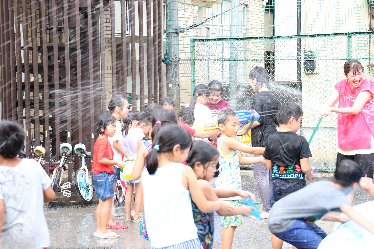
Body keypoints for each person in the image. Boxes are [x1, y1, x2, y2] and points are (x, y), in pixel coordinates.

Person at [142, 125, 234, 248]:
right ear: (176, 149)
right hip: (185, 241)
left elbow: (144, 209)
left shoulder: (146, 173)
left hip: (157, 243)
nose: (187, 157)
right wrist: (221, 204)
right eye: (186, 152)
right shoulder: (183, 171)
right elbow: (205, 206)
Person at [268, 159, 374, 249]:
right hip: (283, 223)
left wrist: (340, 219)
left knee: (326, 239)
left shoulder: (323, 184)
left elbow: (318, 213)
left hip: (283, 216)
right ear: (354, 185)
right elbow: (354, 215)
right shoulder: (336, 195)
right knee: (325, 246)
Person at [319, 59, 374, 203]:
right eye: (353, 75)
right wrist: (324, 108)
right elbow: (329, 103)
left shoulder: (367, 84)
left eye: (360, 73)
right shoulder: (341, 86)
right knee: (345, 184)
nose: (357, 78)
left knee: (365, 184)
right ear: (346, 75)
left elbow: (356, 109)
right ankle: (347, 216)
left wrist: (331, 109)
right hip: (345, 138)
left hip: (364, 139)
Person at [186, 140, 255, 249]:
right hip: (200, 236)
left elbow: (213, 192)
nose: (215, 170)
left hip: (190, 235)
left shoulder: (190, 180)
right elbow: (221, 210)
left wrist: (236, 192)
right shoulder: (203, 184)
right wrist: (242, 210)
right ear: (198, 165)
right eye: (213, 166)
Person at [264, 102, 314, 249]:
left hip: (277, 185)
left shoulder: (271, 139)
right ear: (292, 120)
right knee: (298, 222)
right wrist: (310, 174)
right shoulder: (300, 140)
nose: (299, 124)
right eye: (300, 120)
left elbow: (268, 165)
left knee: (278, 221)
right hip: (296, 187)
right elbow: (305, 168)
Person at [0, 120, 55, 248]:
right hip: (38, 239)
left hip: (11, 241)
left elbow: (0, 209)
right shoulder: (33, 165)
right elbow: (50, 195)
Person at [216, 108, 265, 249]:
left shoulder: (227, 140)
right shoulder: (227, 141)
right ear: (222, 126)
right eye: (233, 124)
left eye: (238, 124)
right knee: (230, 224)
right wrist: (273, 148)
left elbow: (241, 160)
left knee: (230, 223)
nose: (237, 127)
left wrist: (260, 159)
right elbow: (250, 150)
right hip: (229, 188)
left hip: (230, 187)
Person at [248, 66, 279, 213]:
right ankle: (272, 204)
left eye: (251, 82)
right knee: (271, 173)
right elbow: (277, 120)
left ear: (255, 79)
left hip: (260, 141)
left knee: (260, 174)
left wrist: (244, 128)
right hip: (273, 139)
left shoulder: (258, 97)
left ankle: (267, 208)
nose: (251, 85)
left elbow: (257, 120)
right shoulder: (273, 97)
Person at [92, 114, 125, 239]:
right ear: (102, 128)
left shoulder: (100, 140)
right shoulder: (104, 141)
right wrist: (116, 162)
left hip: (99, 175)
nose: (115, 129)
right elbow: (101, 159)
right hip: (104, 175)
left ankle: (99, 230)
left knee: (102, 203)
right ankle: (103, 231)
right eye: (112, 126)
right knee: (106, 203)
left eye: (115, 126)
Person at [122, 112, 152, 222]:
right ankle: (137, 216)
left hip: (127, 163)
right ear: (134, 121)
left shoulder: (123, 132)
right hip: (137, 162)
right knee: (138, 190)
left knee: (129, 190)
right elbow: (140, 148)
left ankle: (128, 215)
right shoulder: (138, 131)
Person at [107, 96, 131, 229]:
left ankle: (110, 220)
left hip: (111, 161)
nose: (128, 110)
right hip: (113, 161)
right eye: (127, 107)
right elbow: (115, 144)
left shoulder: (110, 121)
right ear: (118, 108)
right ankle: (111, 222)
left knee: (110, 192)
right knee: (111, 192)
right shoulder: (114, 123)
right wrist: (127, 155)